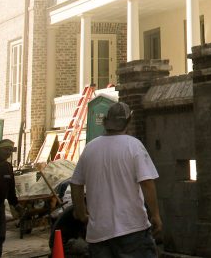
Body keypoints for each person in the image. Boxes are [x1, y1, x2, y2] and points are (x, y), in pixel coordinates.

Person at [70, 102, 163, 258]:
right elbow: (147, 183)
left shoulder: (90, 149)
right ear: (128, 121)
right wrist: (155, 215)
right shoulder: (133, 146)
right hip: (132, 229)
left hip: (99, 234)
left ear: (105, 121)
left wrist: (81, 213)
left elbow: (76, 184)